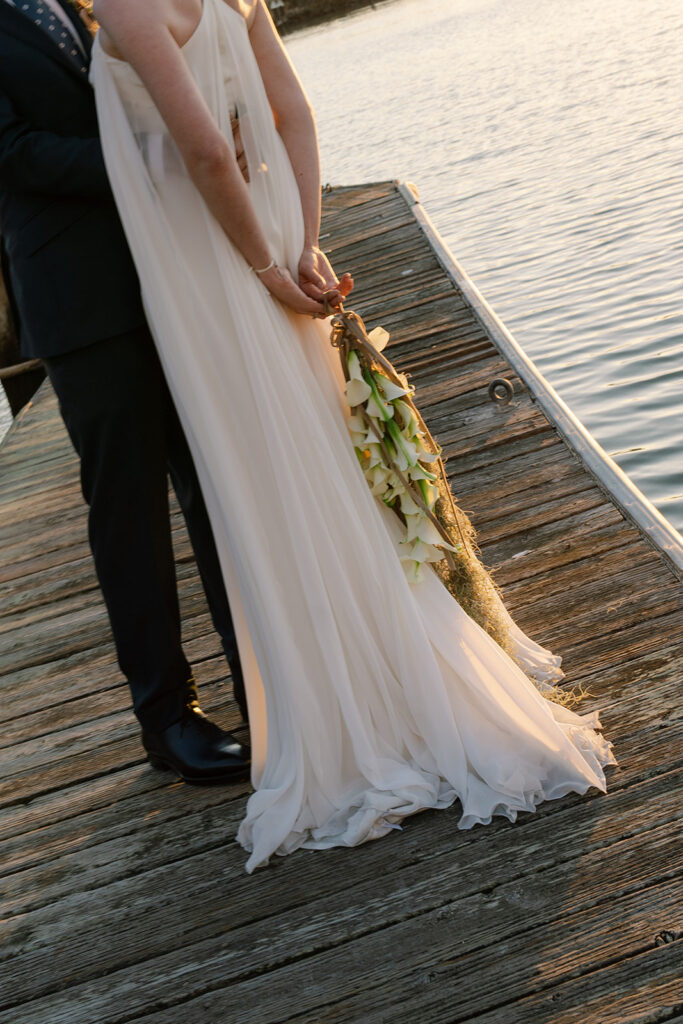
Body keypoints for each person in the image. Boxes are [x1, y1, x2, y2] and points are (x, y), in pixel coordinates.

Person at [90, 0, 617, 873]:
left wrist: (261, 270)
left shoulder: (124, 6)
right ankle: (388, 670)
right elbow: (292, 112)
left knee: (268, 478)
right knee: (320, 462)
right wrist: (302, 246)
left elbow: (206, 150)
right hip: (272, 239)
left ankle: (350, 705)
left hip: (208, 269)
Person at [0, 0, 252, 782]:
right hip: (78, 298)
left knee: (214, 484)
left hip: (167, 273)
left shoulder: (80, 3)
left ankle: (266, 681)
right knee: (128, 510)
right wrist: (158, 154)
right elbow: (16, 154)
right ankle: (167, 718)